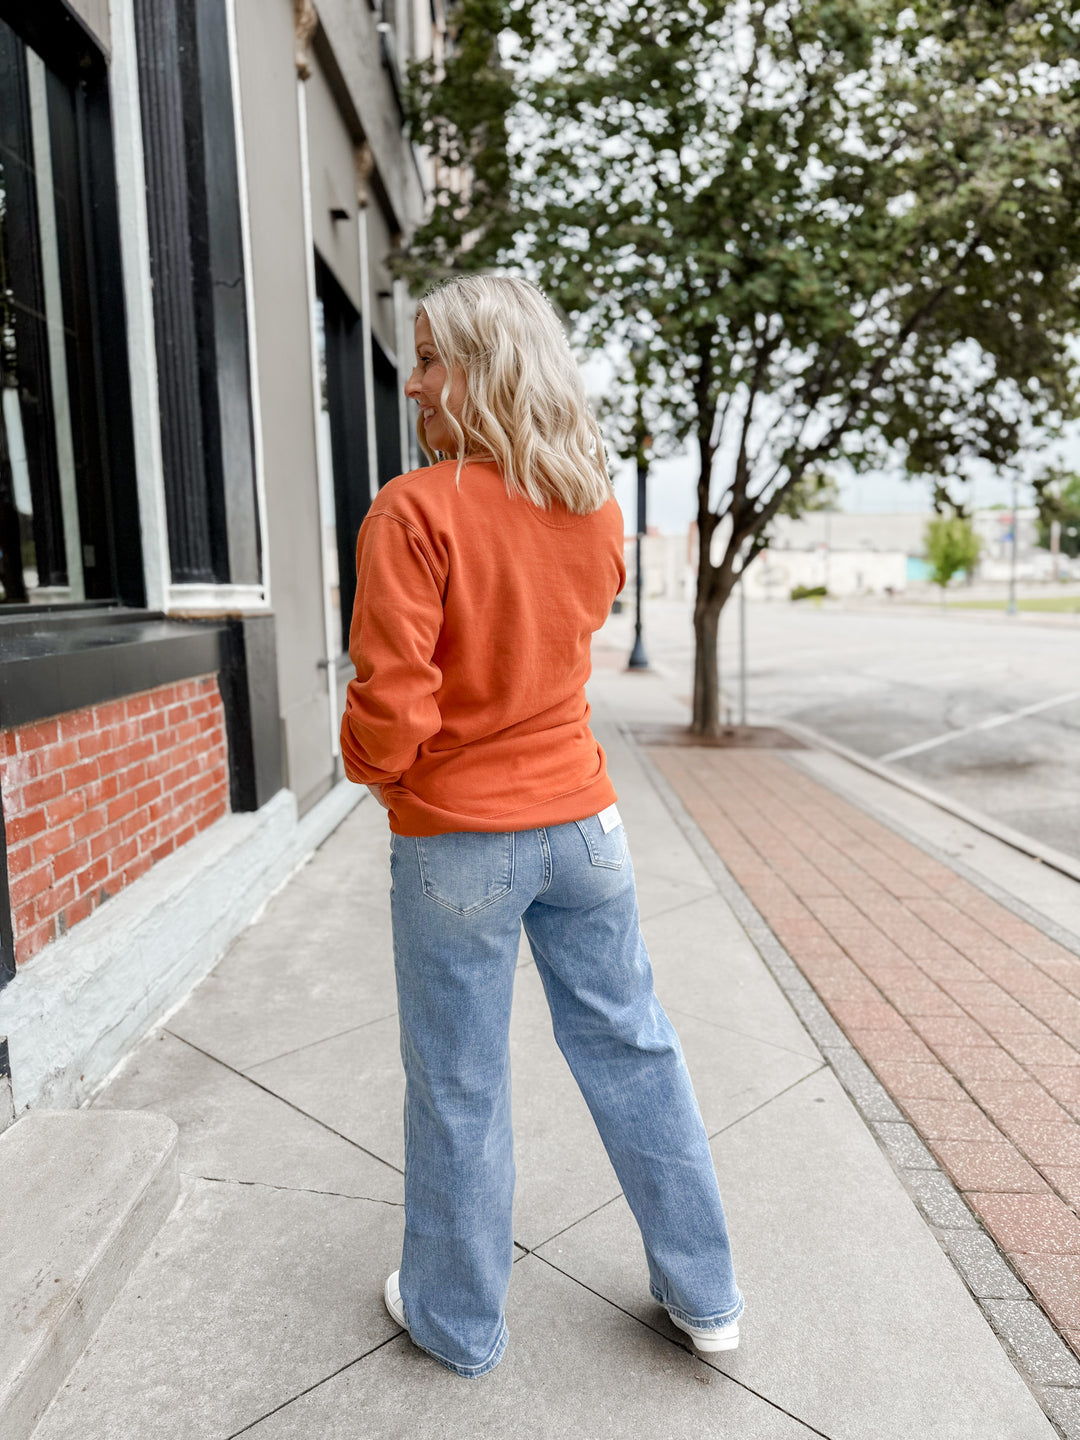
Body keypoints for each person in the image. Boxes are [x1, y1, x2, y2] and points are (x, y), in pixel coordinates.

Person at [339, 274, 742, 1379]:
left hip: (457, 838)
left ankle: (457, 1323)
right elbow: (557, 650)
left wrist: (378, 774)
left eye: (429, 357)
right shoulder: (592, 505)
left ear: (486, 365)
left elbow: (393, 704)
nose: (412, 381)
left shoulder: (414, 508)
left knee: (461, 1080)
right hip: (586, 829)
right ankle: (708, 1296)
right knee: (635, 1047)